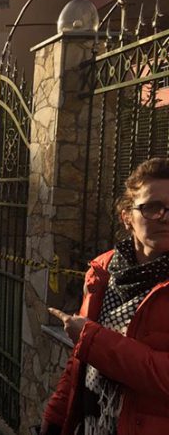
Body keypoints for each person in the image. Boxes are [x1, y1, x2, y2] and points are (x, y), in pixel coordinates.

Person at [41, 157, 169, 435]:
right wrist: (55, 417)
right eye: (152, 207)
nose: (165, 216)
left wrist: (93, 340)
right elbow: (79, 361)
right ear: (127, 217)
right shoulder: (103, 269)